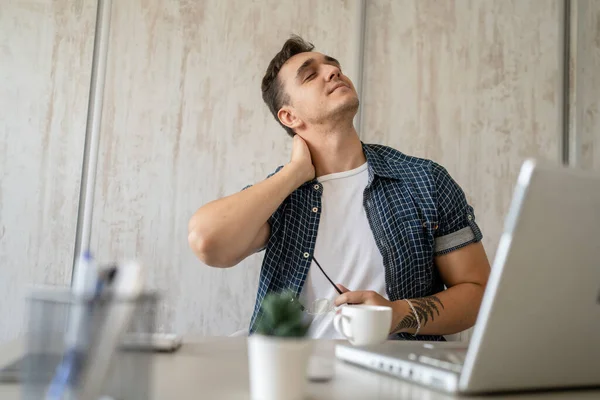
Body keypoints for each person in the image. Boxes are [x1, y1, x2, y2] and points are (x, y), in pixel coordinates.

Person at [188, 35, 491, 340]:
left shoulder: (426, 181)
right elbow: (207, 242)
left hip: (395, 379)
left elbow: (478, 293)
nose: (333, 72)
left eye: (333, 66)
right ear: (290, 116)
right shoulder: (279, 196)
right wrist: (294, 174)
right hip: (292, 377)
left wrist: (397, 314)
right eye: (310, 74)